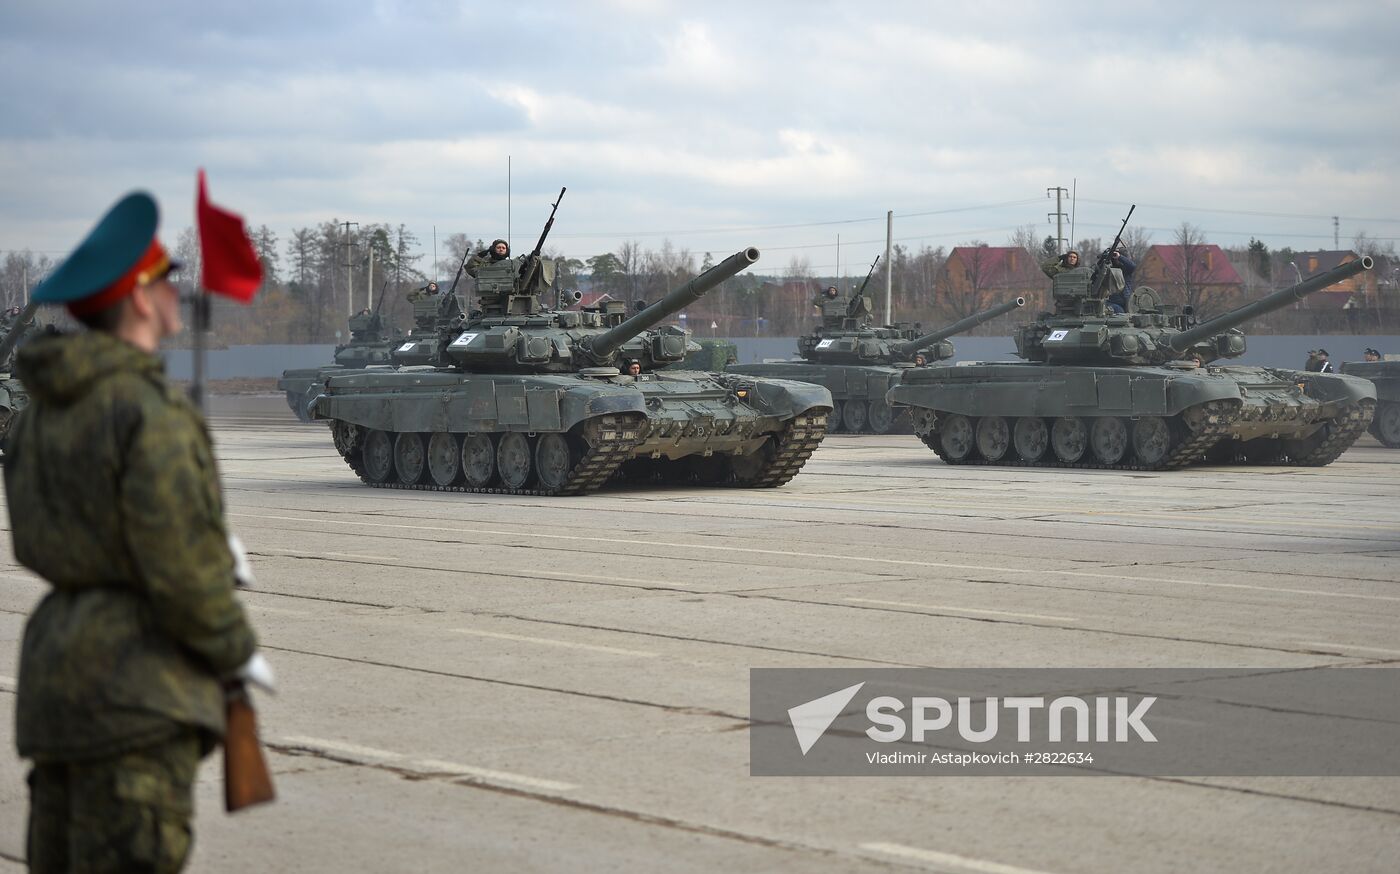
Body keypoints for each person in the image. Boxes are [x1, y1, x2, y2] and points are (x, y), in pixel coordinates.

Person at [5, 191, 268, 872]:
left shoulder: (37, 414)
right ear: (140, 300)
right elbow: (181, 570)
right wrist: (236, 648)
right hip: (136, 690)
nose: (178, 294)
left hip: (56, 680)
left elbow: (35, 541)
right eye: (165, 282)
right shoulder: (147, 412)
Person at [1105, 248, 1136, 314]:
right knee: (1119, 311)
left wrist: (1119, 257)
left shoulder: (1127, 270)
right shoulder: (1110, 269)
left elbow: (1132, 266)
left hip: (1126, 300)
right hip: (1112, 301)